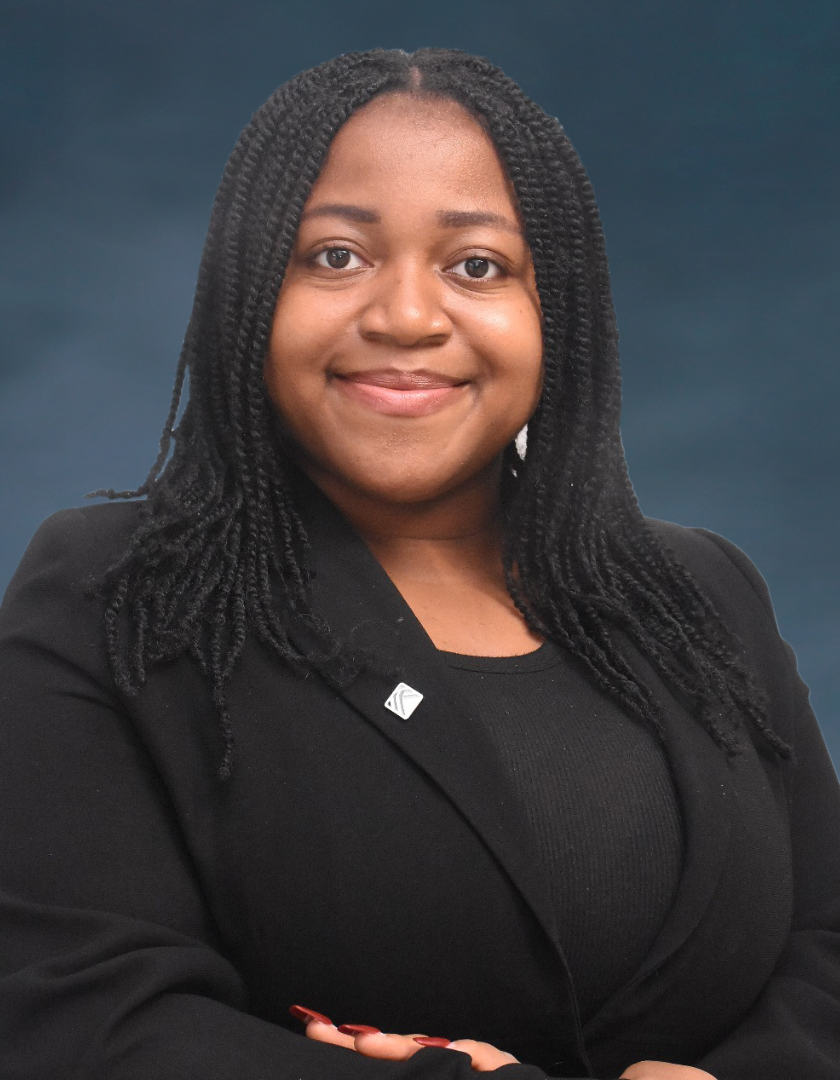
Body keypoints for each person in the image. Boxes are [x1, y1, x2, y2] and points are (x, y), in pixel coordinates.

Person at [0, 46, 837, 1080]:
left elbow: (824, 947)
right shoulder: (115, 594)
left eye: (477, 265)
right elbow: (76, 1018)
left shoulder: (700, 594)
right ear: (248, 294)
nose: (404, 316)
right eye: (335, 257)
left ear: (556, 313)